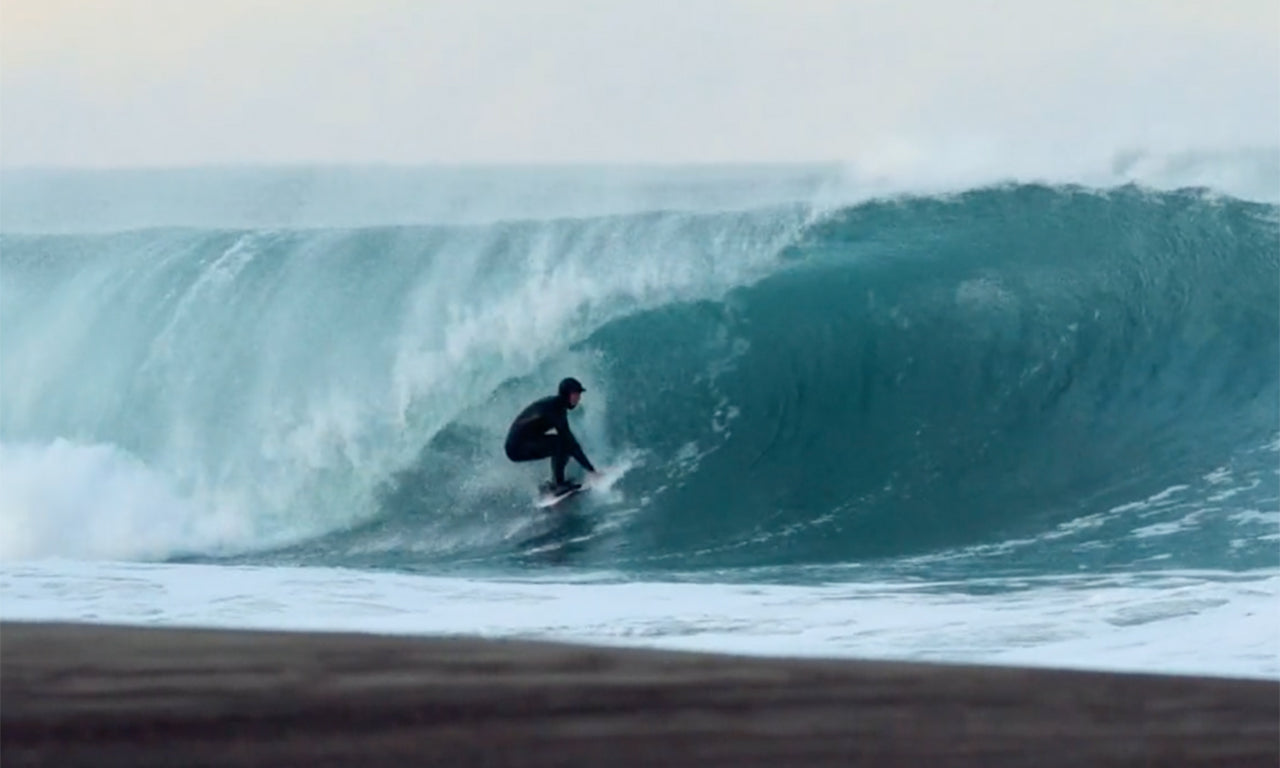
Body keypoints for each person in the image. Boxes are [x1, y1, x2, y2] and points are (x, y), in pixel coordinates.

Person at [504, 377, 597, 493]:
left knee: (563, 444)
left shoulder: (556, 406)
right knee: (562, 443)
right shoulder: (555, 410)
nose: (578, 398)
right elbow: (570, 443)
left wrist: (590, 469)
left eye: (579, 394)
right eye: (575, 394)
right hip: (517, 446)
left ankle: (556, 483)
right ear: (566, 394)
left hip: (521, 443)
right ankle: (558, 484)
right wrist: (592, 471)